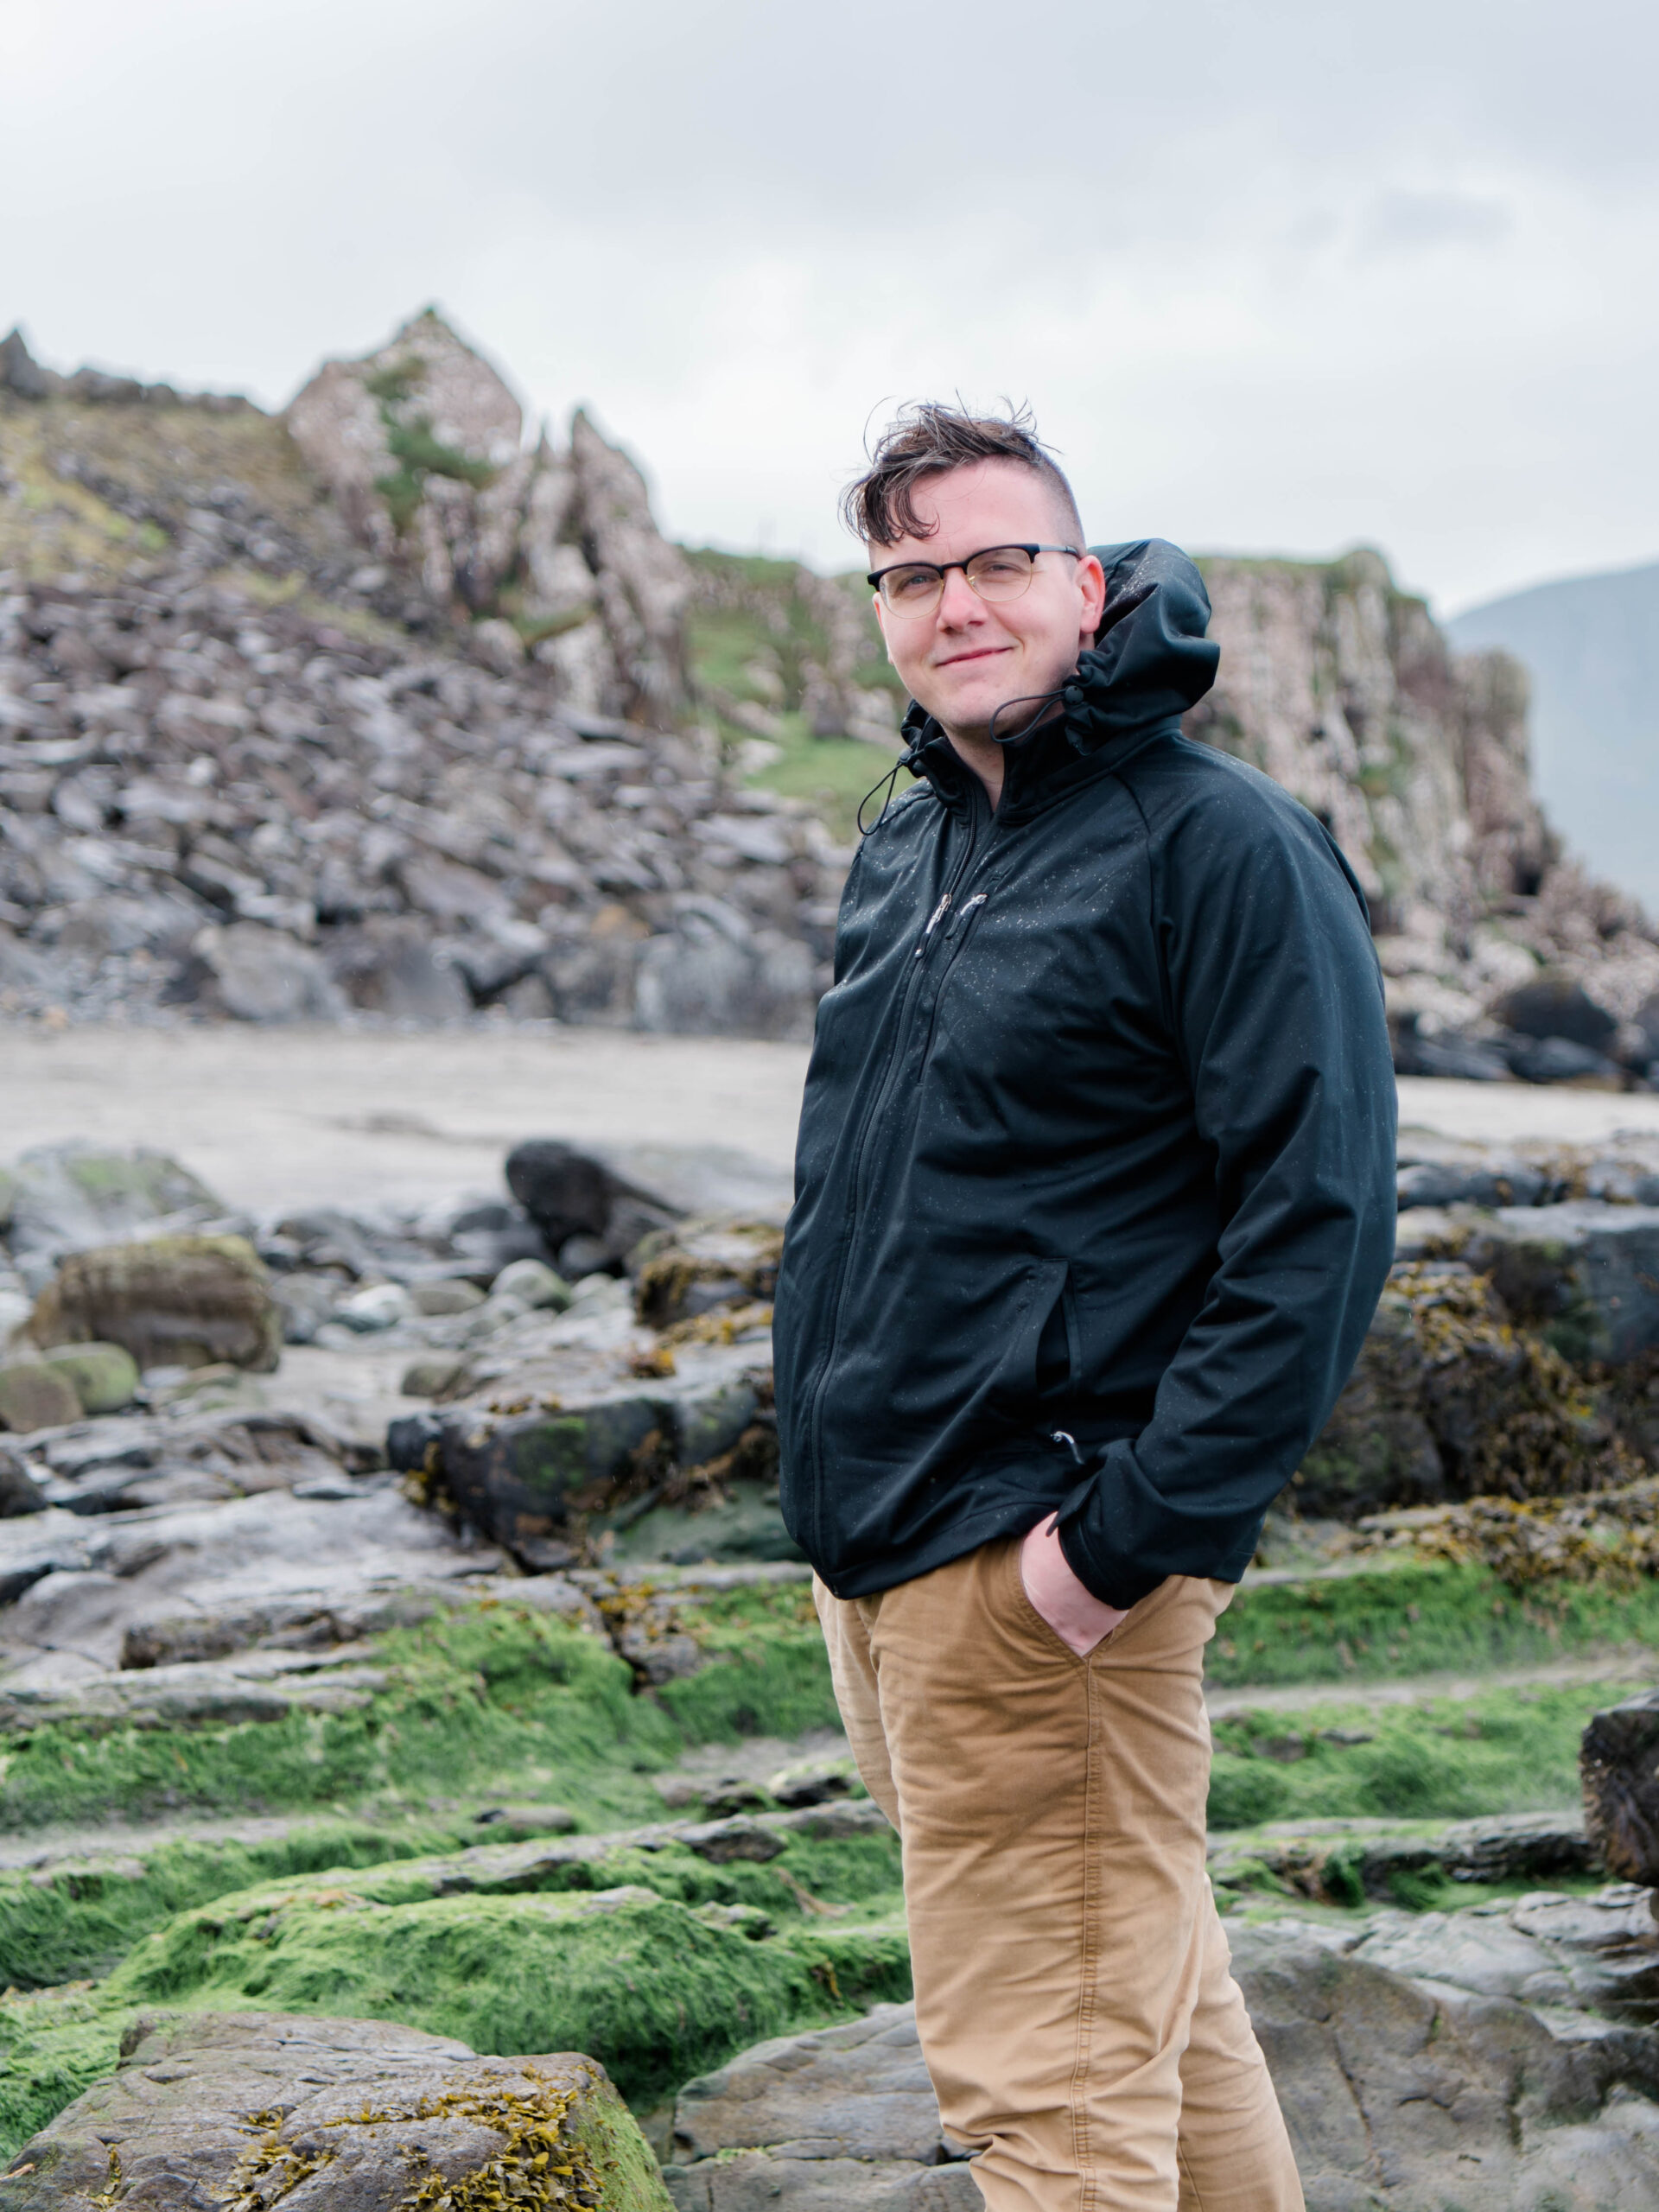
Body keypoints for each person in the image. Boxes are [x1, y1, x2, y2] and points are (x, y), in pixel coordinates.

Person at [771, 404, 1397, 2211]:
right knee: (1151, 2020)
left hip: (1042, 1573)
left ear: (1088, 582)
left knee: (1047, 2105)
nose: (951, 601)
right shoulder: (912, 842)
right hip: (885, 1557)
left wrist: (1123, 1543)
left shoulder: (1218, 845)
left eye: (994, 559)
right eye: (911, 572)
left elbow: (1320, 1220)